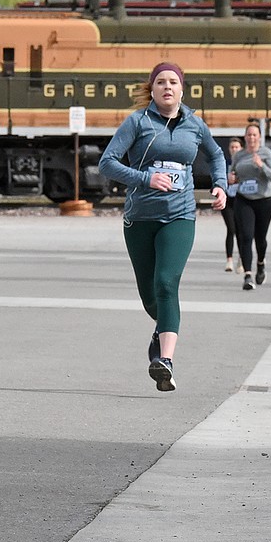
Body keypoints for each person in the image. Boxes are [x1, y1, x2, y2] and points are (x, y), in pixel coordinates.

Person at [97, 62, 227, 393]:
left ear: (182, 90)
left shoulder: (195, 124)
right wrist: (145, 178)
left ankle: (165, 361)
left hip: (180, 216)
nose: (167, 87)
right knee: (150, 295)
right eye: (160, 82)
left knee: (167, 283)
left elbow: (216, 156)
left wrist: (220, 184)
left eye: (173, 82)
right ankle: (161, 330)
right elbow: (107, 163)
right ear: (152, 90)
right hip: (139, 218)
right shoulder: (137, 122)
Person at [231, 122, 271, 290]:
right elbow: (234, 174)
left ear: (259, 137)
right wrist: (232, 179)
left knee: (260, 239)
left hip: (264, 201)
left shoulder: (266, 153)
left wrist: (262, 166)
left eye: (254, 135)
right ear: (245, 137)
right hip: (244, 199)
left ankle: (260, 264)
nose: (251, 138)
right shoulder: (239, 156)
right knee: (245, 236)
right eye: (249, 135)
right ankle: (248, 275)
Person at [221, 136, 243, 272]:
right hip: (228, 199)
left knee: (241, 231)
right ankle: (229, 260)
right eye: (232, 147)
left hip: (241, 199)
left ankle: (241, 259)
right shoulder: (224, 163)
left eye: (236, 147)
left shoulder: (244, 163)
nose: (234, 149)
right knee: (231, 229)